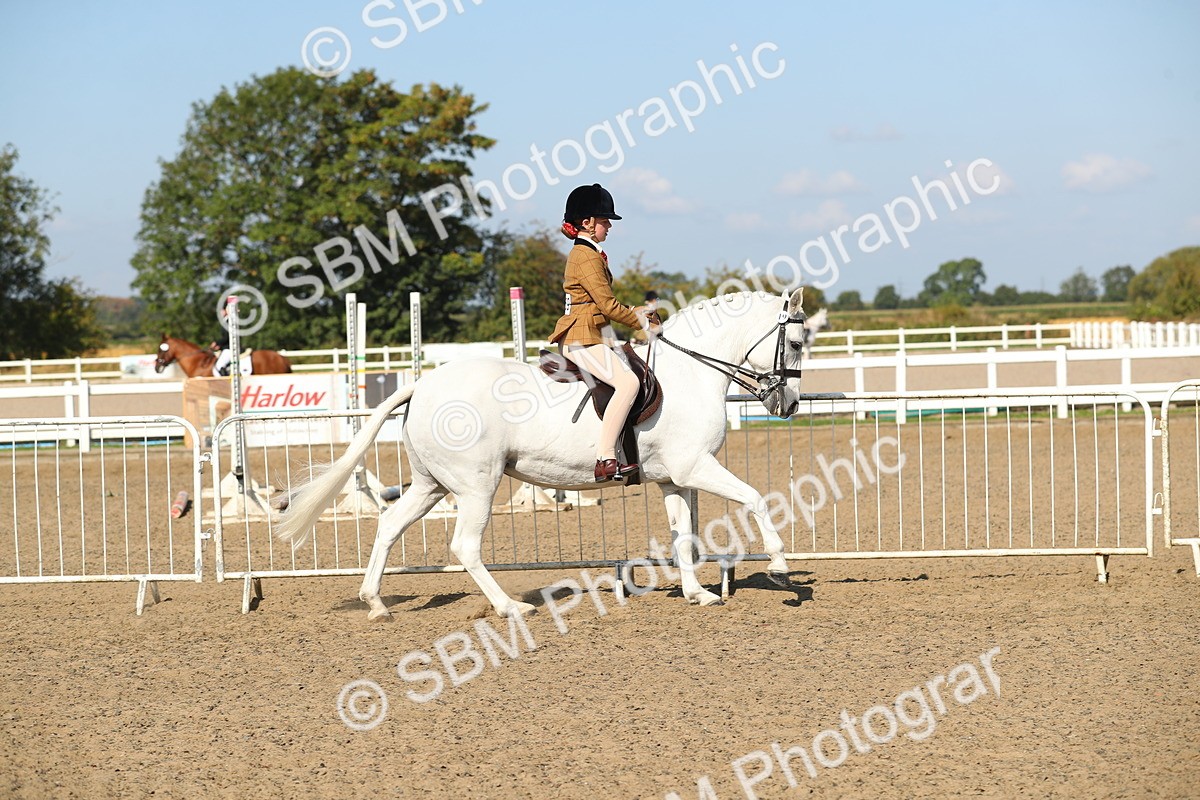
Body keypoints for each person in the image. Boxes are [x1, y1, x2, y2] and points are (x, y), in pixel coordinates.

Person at [548, 183, 661, 483]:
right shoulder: (585, 256)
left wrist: (639, 311)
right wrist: (642, 322)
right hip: (581, 337)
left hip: (592, 333)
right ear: (587, 223)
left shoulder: (590, 253)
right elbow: (608, 306)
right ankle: (605, 457)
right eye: (604, 220)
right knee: (628, 383)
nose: (609, 225)